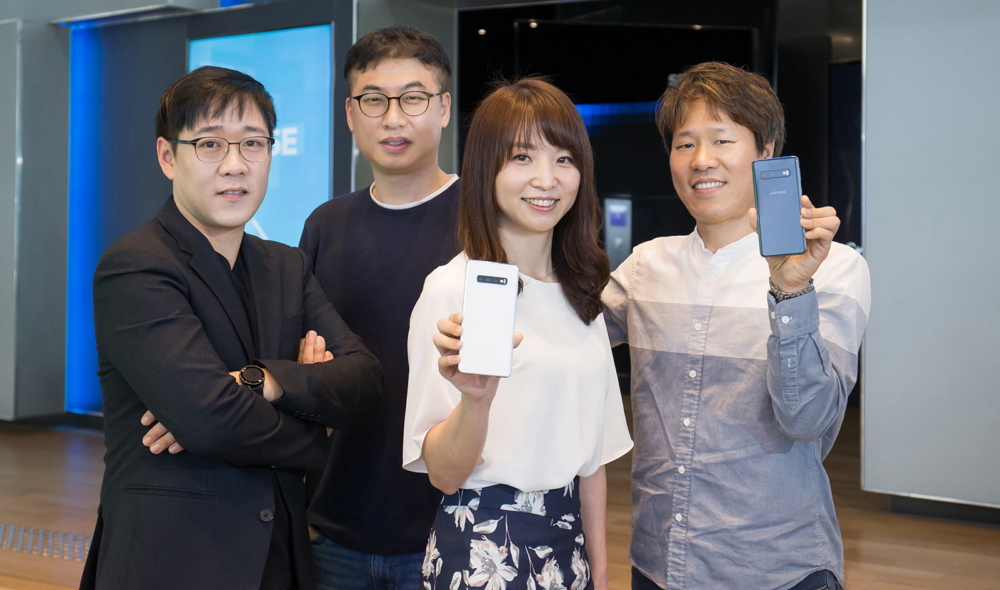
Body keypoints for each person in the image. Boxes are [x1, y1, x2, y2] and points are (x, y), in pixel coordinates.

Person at [80, 66, 383, 590]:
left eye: (253, 144)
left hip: (281, 559)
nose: (235, 165)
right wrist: (321, 425)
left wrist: (262, 381)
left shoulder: (285, 265)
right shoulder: (137, 265)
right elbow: (211, 421)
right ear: (167, 156)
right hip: (175, 562)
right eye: (210, 145)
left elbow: (365, 380)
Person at [603, 62, 871, 590]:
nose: (701, 160)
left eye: (722, 140)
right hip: (658, 564)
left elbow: (807, 418)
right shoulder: (645, 266)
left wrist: (791, 292)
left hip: (778, 570)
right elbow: (563, 339)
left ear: (766, 151)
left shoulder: (835, 267)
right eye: (685, 144)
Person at [403, 78, 633, 590]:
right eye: (523, 157)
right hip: (481, 549)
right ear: (487, 170)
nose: (546, 180)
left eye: (564, 159)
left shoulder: (582, 295)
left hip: (568, 548)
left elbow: (591, 461)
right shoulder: (451, 289)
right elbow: (443, 475)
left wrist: (600, 573)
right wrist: (476, 400)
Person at [297, 26, 459, 590]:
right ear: (350, 113)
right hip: (336, 526)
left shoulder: (486, 221)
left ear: (443, 108)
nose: (393, 118)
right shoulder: (325, 225)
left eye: (412, 98)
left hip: (454, 527)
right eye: (373, 100)